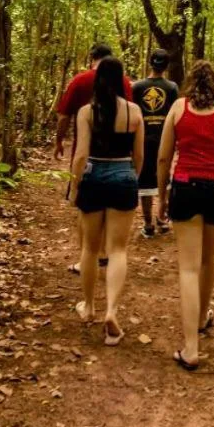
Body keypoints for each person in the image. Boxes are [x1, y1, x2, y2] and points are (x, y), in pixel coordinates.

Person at [157, 60, 214, 371]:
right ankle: (200, 317)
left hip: (185, 187)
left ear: (189, 83)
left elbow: (163, 157)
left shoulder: (178, 109)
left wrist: (161, 196)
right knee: (209, 259)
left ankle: (191, 347)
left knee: (188, 267)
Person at [70, 56, 144, 345]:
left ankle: (88, 306)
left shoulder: (87, 112)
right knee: (118, 250)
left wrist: (75, 186)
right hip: (124, 175)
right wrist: (131, 177)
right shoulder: (134, 112)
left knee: (89, 248)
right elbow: (139, 157)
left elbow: (80, 155)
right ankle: (112, 311)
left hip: (94, 177)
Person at [52, 43, 134, 273]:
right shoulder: (124, 82)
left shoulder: (80, 80)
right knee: (112, 208)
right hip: (119, 158)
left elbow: (63, 116)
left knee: (85, 207)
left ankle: (87, 255)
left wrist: (59, 141)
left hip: (88, 154)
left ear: (93, 58)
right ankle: (105, 253)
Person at [133, 49, 180, 237]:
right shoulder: (172, 88)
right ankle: (162, 220)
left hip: (143, 139)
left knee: (144, 181)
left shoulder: (136, 87)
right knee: (163, 178)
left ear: (150, 63)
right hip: (164, 139)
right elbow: (175, 114)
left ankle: (148, 224)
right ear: (166, 66)